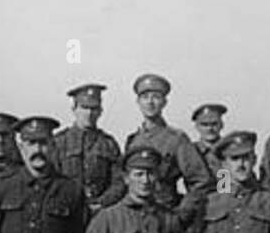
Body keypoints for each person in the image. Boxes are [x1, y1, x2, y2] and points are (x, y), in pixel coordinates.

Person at [116, 73, 212, 213]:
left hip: (165, 214)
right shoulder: (133, 140)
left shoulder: (176, 139)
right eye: (145, 97)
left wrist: (182, 213)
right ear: (138, 102)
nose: (150, 102)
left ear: (164, 102)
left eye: (156, 97)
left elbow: (200, 181)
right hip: (136, 215)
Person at [52, 83, 122, 215]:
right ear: (74, 109)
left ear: (100, 111)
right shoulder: (59, 142)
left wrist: (102, 203)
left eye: (94, 108)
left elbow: (119, 182)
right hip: (66, 213)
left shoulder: (108, 144)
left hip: (100, 213)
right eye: (84, 108)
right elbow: (51, 179)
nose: (89, 113)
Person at [191, 102, 227, 184]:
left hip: (226, 194)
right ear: (197, 126)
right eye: (204, 125)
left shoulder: (230, 150)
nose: (210, 129)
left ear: (221, 125)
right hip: (198, 195)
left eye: (214, 124)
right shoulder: (190, 151)